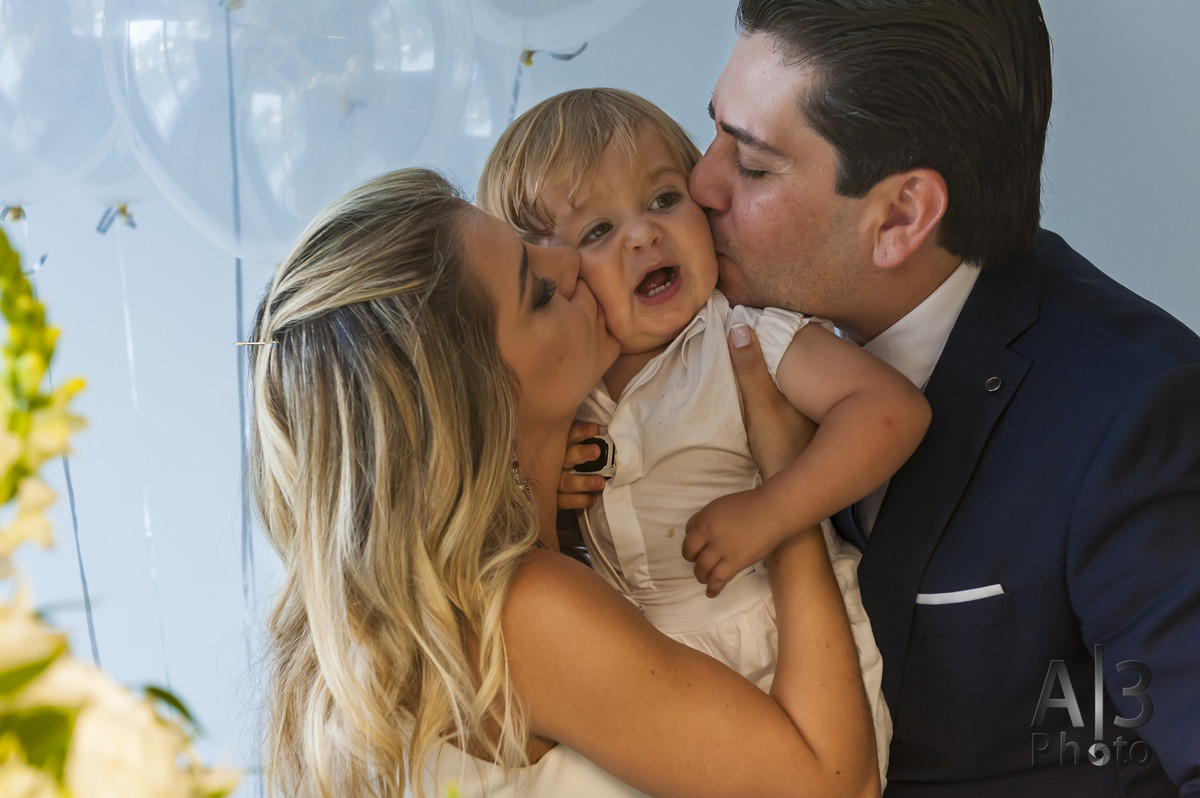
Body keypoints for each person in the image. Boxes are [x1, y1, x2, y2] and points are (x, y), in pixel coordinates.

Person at [688, 1, 1200, 796]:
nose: (699, 183)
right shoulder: (709, 327)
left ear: (900, 216)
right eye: (713, 130)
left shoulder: (1134, 416)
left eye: (752, 166)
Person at [248, 167, 881, 798]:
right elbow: (831, 785)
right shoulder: (523, 612)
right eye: (538, 293)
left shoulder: (449, 612)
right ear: (480, 400)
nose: (569, 261)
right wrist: (784, 486)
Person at [477, 87, 930, 783]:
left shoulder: (741, 335)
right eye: (597, 231)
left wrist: (778, 509)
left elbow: (889, 409)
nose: (642, 235)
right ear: (557, 275)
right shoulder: (574, 400)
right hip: (656, 670)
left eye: (663, 199)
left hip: (788, 641)